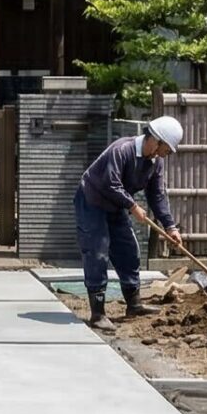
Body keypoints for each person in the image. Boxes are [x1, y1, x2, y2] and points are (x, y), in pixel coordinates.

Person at [73, 115, 184, 332]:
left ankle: (134, 304)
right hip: (92, 202)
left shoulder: (155, 162)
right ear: (155, 140)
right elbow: (110, 183)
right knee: (97, 252)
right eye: (166, 149)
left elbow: (157, 195)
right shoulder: (121, 150)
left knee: (129, 250)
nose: (165, 154)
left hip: (116, 206)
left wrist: (170, 227)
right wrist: (133, 206)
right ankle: (97, 314)